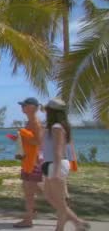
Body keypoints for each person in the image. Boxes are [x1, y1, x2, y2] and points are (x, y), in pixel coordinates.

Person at [42, 98, 90, 231]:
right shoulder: (54, 127)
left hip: (55, 164)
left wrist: (57, 171)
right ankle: (69, 224)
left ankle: (76, 222)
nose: (45, 112)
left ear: (51, 111)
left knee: (59, 201)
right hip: (50, 164)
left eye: (47, 110)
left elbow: (59, 150)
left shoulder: (57, 127)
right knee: (50, 196)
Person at [13, 97, 44, 228]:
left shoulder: (36, 123)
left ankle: (28, 219)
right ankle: (33, 212)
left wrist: (23, 133)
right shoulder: (29, 122)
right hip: (27, 160)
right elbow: (29, 140)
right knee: (27, 189)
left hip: (33, 162)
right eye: (22, 105)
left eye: (25, 105)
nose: (22, 107)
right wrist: (19, 138)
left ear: (33, 108)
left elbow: (38, 141)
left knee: (29, 192)